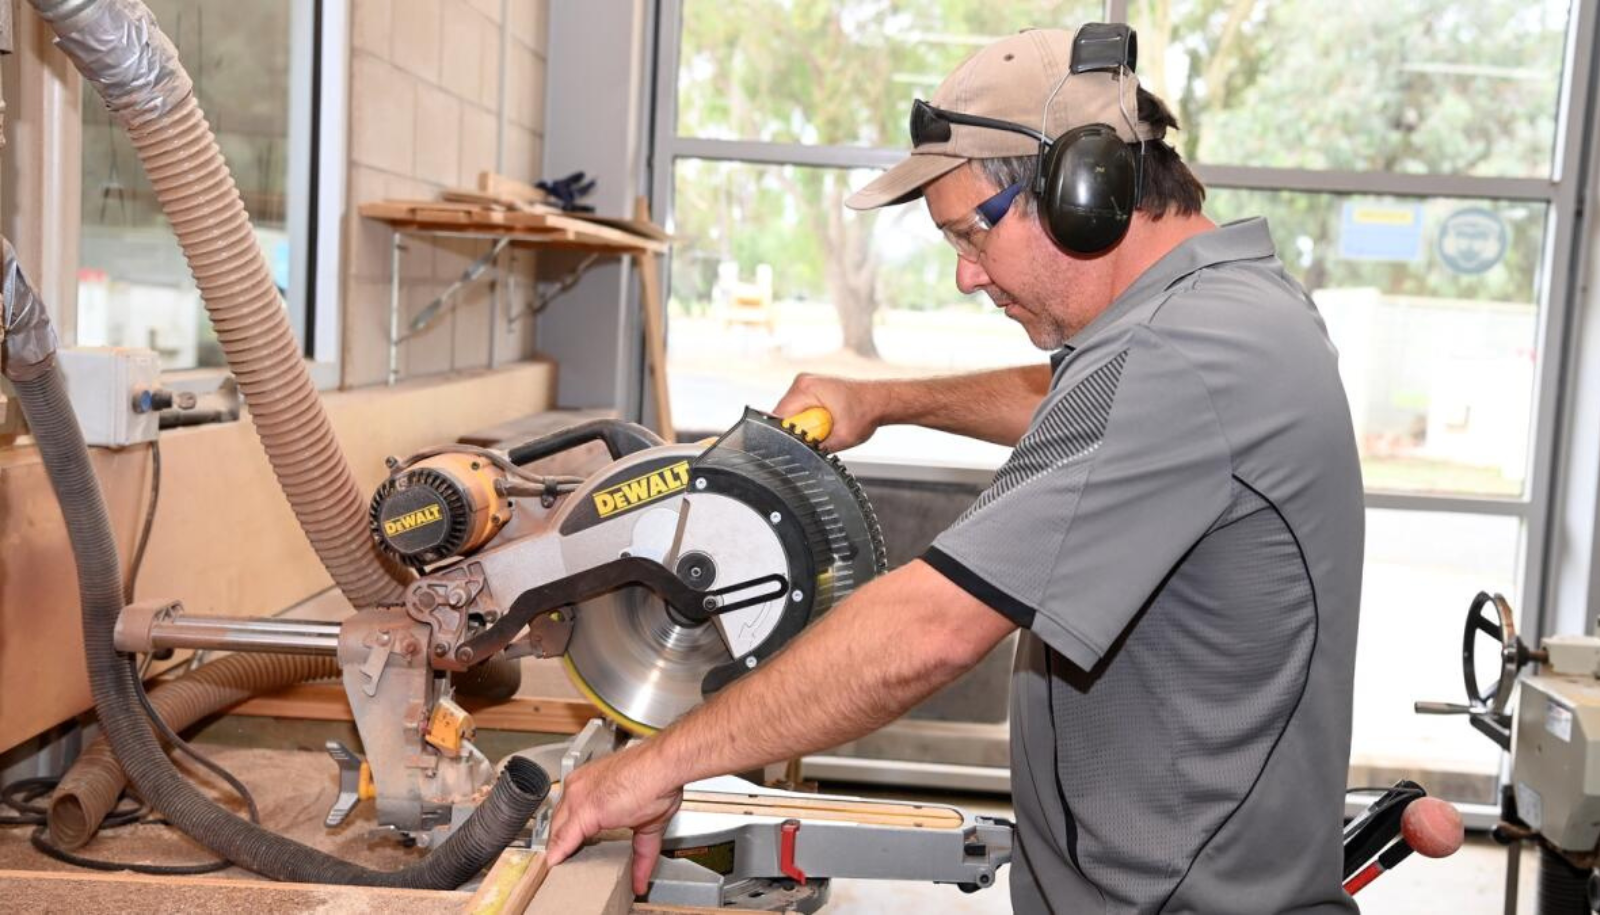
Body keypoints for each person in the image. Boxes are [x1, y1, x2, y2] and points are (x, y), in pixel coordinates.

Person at [548, 24, 1363, 914]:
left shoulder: (1185, 355)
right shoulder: (1226, 310)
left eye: (971, 235)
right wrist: (886, 400)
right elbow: (1084, 406)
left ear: (1081, 192)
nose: (969, 277)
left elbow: (928, 633)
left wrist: (658, 763)